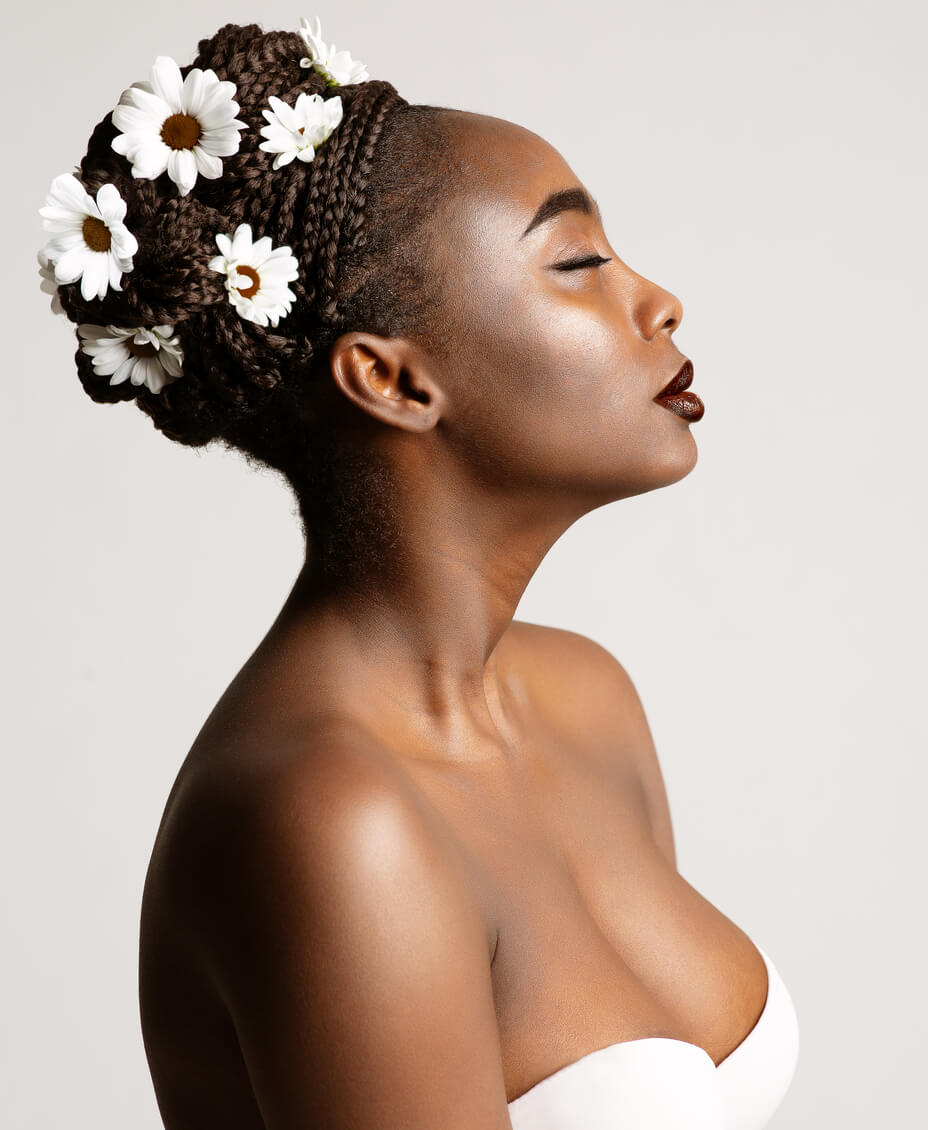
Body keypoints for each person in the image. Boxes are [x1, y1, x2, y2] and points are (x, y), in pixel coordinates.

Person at [39, 16, 799, 1130]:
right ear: (390, 380)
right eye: (578, 262)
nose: (658, 300)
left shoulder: (584, 698)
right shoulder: (330, 816)